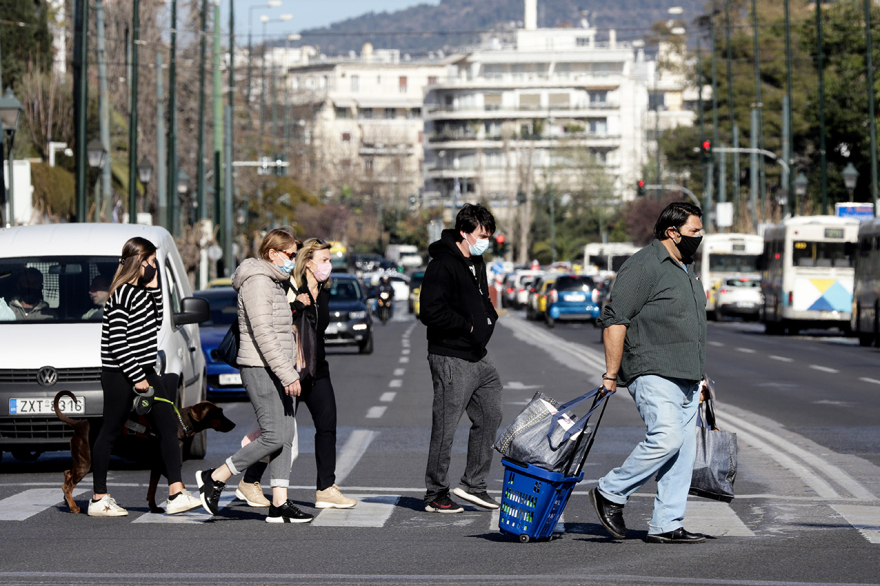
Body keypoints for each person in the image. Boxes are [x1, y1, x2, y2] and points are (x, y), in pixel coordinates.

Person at [590, 201, 708, 544]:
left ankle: (666, 524)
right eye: (694, 231)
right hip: (652, 369)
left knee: (682, 452)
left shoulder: (685, 267)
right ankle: (610, 492)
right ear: (672, 232)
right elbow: (615, 320)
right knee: (666, 438)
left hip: (687, 375)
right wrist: (611, 374)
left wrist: (701, 378)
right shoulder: (644, 265)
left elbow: (690, 325)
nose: (699, 237)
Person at [196, 229, 313, 523]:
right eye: (290, 254)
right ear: (272, 254)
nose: (293, 260)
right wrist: (288, 374)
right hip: (261, 368)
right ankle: (216, 476)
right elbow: (263, 334)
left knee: (285, 436)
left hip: (277, 368)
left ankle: (279, 504)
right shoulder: (258, 282)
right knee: (274, 435)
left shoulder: (274, 281)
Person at [239, 238, 357, 510]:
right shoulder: (287, 287)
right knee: (279, 432)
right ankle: (249, 480)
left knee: (327, 425)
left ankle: (326, 488)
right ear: (308, 262)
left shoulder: (324, 291)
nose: (329, 265)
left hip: (317, 368)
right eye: (324, 260)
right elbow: (274, 323)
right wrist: (297, 306)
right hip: (289, 369)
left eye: (329, 260)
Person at [90, 237, 201, 517]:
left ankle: (176, 492)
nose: (154, 267)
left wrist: (154, 287)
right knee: (110, 432)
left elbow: (156, 321)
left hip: (146, 370)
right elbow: (117, 342)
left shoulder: (140, 292)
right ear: (138, 262)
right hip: (121, 374)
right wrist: (137, 376)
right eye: (151, 262)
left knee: (168, 426)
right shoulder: (121, 294)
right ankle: (98, 498)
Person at [419, 203, 503, 513]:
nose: (486, 242)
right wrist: (467, 326)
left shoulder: (477, 262)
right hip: (450, 356)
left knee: (491, 414)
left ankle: (473, 485)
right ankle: (436, 492)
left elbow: (484, 301)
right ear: (464, 233)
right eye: (482, 236)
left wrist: (489, 320)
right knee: (446, 426)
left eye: (489, 236)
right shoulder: (442, 265)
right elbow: (430, 312)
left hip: (478, 355)